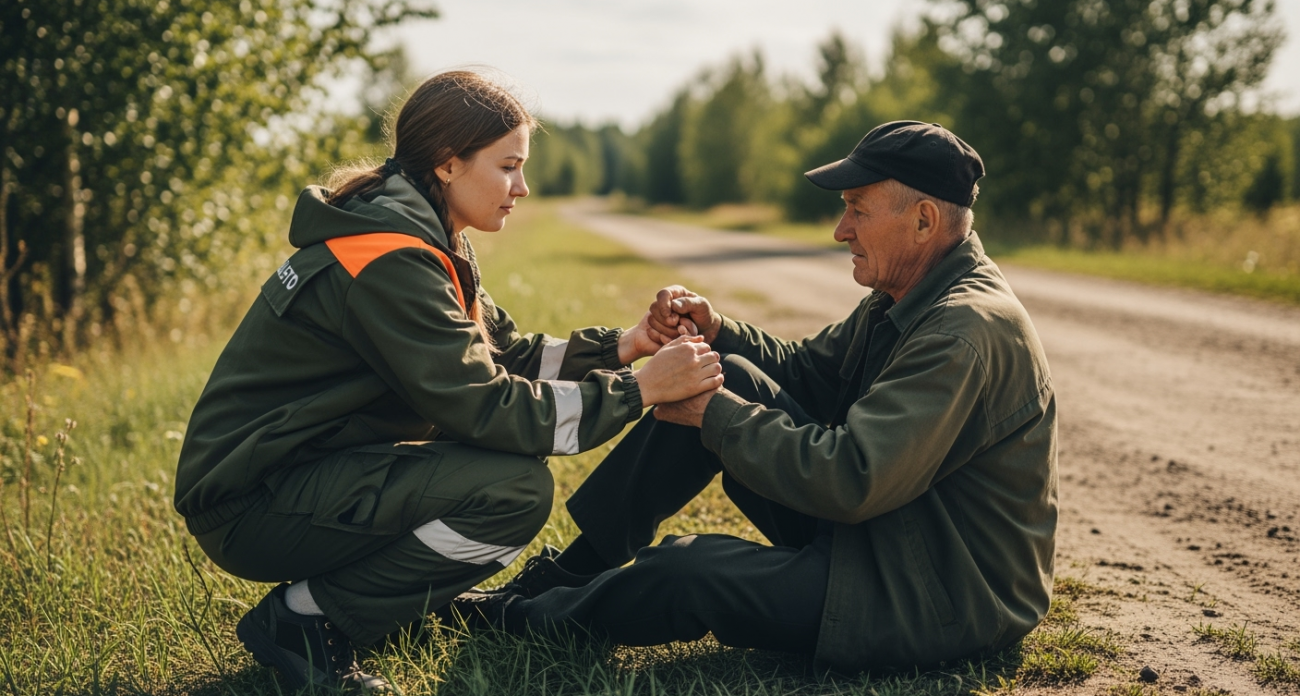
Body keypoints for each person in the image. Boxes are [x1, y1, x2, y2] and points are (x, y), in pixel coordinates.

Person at [172, 70, 723, 692]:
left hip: (291, 473)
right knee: (512, 491)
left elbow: (502, 356)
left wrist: (627, 346)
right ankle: (303, 620)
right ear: (448, 164)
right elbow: (488, 408)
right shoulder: (391, 259)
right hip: (251, 502)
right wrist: (641, 389)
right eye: (509, 166)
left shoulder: (418, 231)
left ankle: (396, 600)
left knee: (502, 480)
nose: (523, 187)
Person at [456, 121, 1058, 674]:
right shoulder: (910, 293)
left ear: (924, 220)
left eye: (856, 210)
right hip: (893, 537)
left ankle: (526, 619)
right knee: (725, 371)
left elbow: (853, 477)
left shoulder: (963, 331)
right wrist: (717, 331)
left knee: (689, 569)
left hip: (939, 594)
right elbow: (805, 374)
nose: (840, 229)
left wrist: (711, 414)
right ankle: (568, 572)